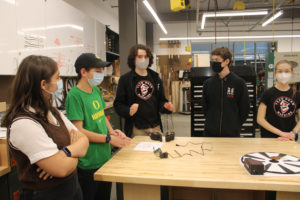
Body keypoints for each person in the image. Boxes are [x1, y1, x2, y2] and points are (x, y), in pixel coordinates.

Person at [1, 55, 89, 200]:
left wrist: (64, 153)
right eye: (58, 78)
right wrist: (75, 150)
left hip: (71, 188)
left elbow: (84, 140)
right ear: (43, 84)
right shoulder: (23, 124)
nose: (60, 82)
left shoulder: (51, 111)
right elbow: (61, 169)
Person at [65, 53, 131, 200]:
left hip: (104, 157)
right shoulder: (75, 96)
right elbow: (79, 131)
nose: (101, 74)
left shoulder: (95, 90)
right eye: (97, 70)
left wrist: (112, 132)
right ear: (83, 72)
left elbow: (101, 114)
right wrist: (108, 139)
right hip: (88, 162)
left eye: (102, 71)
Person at [113, 44, 173, 137]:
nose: (143, 59)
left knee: (157, 152)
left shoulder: (155, 78)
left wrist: (166, 107)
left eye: (146, 56)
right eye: (140, 57)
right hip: (136, 129)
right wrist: (128, 110)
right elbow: (118, 104)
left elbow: (161, 101)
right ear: (133, 59)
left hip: (155, 127)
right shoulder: (125, 79)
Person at [202, 46, 250, 137]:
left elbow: (245, 109)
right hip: (210, 133)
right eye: (212, 60)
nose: (213, 63)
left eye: (217, 60)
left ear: (226, 61)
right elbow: (205, 108)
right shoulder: (208, 84)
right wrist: (211, 122)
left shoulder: (239, 83)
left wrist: (235, 125)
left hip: (231, 134)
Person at [257, 60, 300, 140]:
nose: (283, 74)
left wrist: (293, 133)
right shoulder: (268, 93)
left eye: (287, 71)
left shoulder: (297, 95)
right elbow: (260, 119)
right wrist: (282, 134)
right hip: (270, 137)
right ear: (275, 74)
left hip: (290, 138)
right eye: (280, 71)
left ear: (292, 74)